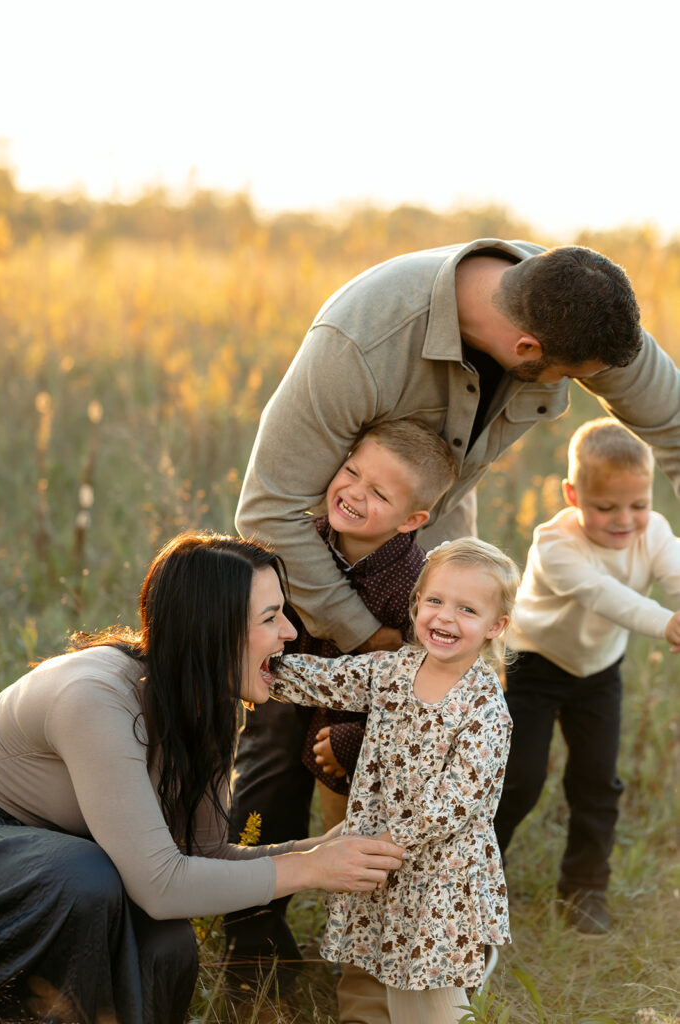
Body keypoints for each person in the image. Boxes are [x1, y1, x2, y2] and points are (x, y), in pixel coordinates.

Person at [231, 239, 680, 968]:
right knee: (284, 742)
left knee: (418, 737)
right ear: (526, 346)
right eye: (571, 380)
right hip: (312, 554)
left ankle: (389, 936)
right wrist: (362, 636)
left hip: (425, 560)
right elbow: (270, 508)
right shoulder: (361, 339)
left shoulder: (578, 302)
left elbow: (675, 422)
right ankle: (252, 938)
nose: (585, 387)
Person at [0, 532, 404, 1024]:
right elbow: (162, 886)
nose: (291, 634)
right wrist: (315, 869)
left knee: (168, 943)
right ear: (213, 630)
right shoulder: (93, 698)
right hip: (22, 848)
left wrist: (326, 849)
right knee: (86, 877)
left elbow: (201, 857)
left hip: (62, 858)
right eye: (270, 618)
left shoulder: (207, 702)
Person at [226, 420, 455, 977]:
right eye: (351, 472)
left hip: (353, 724)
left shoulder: (414, 584)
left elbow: (416, 682)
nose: (354, 493)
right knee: (264, 789)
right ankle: (250, 937)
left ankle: (363, 957)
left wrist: (356, 738)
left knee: (359, 831)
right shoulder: (301, 536)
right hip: (282, 685)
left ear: (412, 519)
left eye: (379, 494)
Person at [268, 538, 520, 1024]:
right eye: (435, 601)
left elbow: (455, 801)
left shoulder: (485, 707)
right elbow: (328, 679)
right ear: (417, 603)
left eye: (467, 609)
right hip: (377, 859)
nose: (445, 618)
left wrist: (387, 843)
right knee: (363, 968)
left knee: (426, 993)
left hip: (436, 874)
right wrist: (264, 669)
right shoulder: (395, 669)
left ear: (496, 626)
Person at [494, 419, 680, 935]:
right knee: (519, 778)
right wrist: (666, 623)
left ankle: (585, 889)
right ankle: (478, 877)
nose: (625, 520)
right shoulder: (554, 544)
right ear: (573, 494)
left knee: (597, 779)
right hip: (533, 665)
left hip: (599, 673)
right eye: (606, 508)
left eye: (638, 505)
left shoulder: (656, 532)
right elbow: (605, 596)